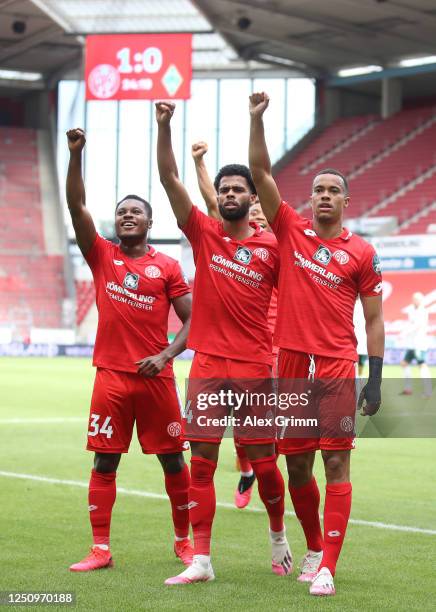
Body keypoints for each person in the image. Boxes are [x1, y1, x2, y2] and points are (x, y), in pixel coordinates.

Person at [248, 92, 385, 597]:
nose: (324, 196)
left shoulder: (362, 252)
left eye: (333, 191)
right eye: (318, 190)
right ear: (309, 200)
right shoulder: (289, 229)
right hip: (291, 363)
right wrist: (257, 119)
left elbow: (373, 318)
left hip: (334, 365)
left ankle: (327, 565)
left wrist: (375, 377)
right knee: (299, 463)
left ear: (347, 201)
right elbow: (261, 172)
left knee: (335, 462)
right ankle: (311, 548)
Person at [156, 102, 290, 585]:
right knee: (202, 464)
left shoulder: (275, 248)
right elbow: (171, 180)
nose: (231, 194)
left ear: (254, 199)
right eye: (225, 189)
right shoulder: (204, 233)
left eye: (240, 190)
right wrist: (164, 126)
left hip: (256, 365)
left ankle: (278, 537)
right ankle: (203, 561)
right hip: (209, 365)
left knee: (264, 462)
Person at [65, 128, 194, 573]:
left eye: (135, 211)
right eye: (121, 212)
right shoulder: (101, 256)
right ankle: (100, 549)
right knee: (104, 459)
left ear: (149, 223)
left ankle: (184, 543)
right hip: (112, 377)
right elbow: (77, 207)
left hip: (155, 379)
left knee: (174, 461)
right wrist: (76, 154)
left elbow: (194, 320)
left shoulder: (168, 266)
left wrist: (167, 355)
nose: (127, 216)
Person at [191, 141, 257, 509]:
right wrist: (200, 163)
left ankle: (254, 472)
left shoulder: (276, 245)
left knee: (264, 437)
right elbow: (210, 200)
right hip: (227, 350)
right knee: (238, 435)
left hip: (271, 347)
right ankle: (247, 471)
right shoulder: (224, 236)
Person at [400, 292, 432, 398]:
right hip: (412, 344)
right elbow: (411, 324)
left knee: (422, 365)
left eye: (417, 299)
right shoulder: (412, 311)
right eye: (414, 299)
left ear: (421, 300)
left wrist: (405, 333)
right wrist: (405, 333)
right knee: (404, 363)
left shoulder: (423, 311)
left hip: (419, 343)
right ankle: (408, 389)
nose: (415, 301)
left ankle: (428, 391)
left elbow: (418, 325)